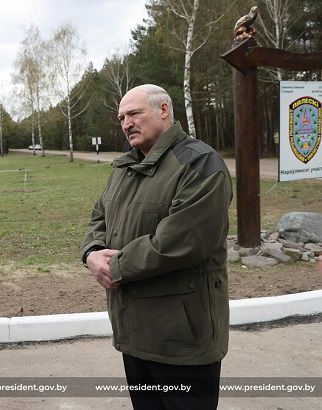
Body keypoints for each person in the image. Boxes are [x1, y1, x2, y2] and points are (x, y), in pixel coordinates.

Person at [81, 84, 233, 409]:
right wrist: (91, 252)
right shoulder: (124, 167)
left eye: (134, 113)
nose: (126, 123)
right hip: (134, 334)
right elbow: (99, 215)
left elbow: (181, 241)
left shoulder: (200, 164)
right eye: (122, 117)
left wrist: (114, 267)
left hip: (181, 341)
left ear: (163, 110)